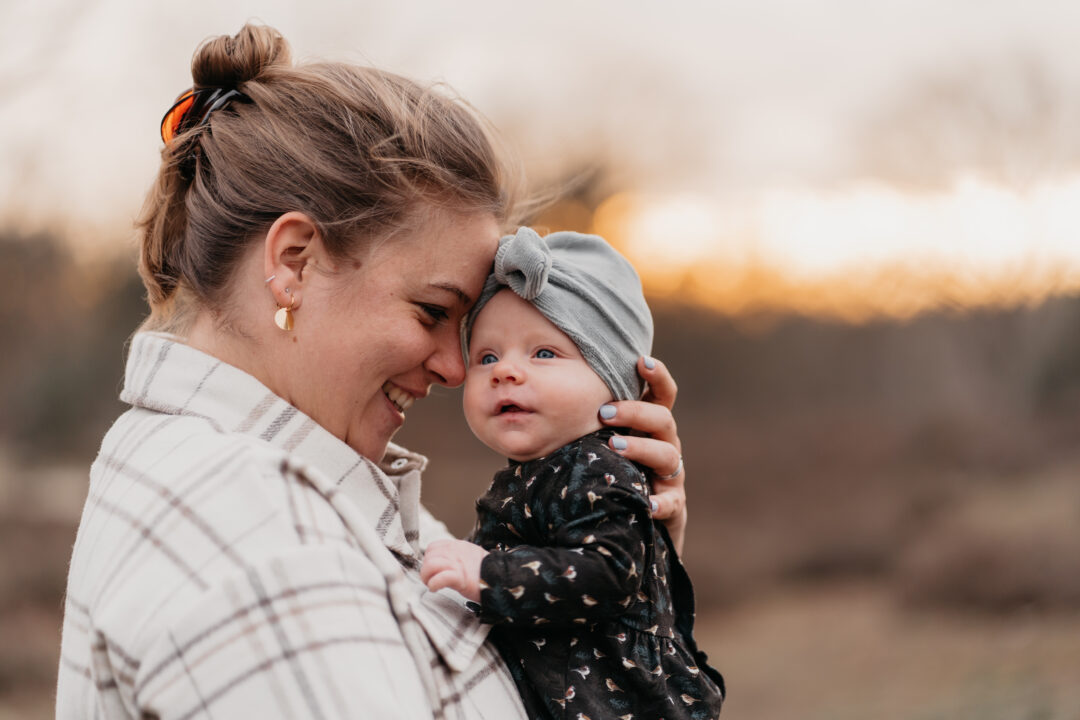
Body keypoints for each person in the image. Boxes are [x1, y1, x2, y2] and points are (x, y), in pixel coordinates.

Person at [56, 23, 693, 720]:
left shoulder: (303, 487)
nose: (456, 369)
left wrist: (634, 573)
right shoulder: (269, 551)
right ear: (294, 262)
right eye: (431, 311)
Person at [420, 227, 725, 719]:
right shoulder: (542, 471)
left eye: (544, 353)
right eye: (487, 356)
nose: (505, 371)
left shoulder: (597, 467)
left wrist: (486, 574)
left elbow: (607, 573)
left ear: (615, 385)